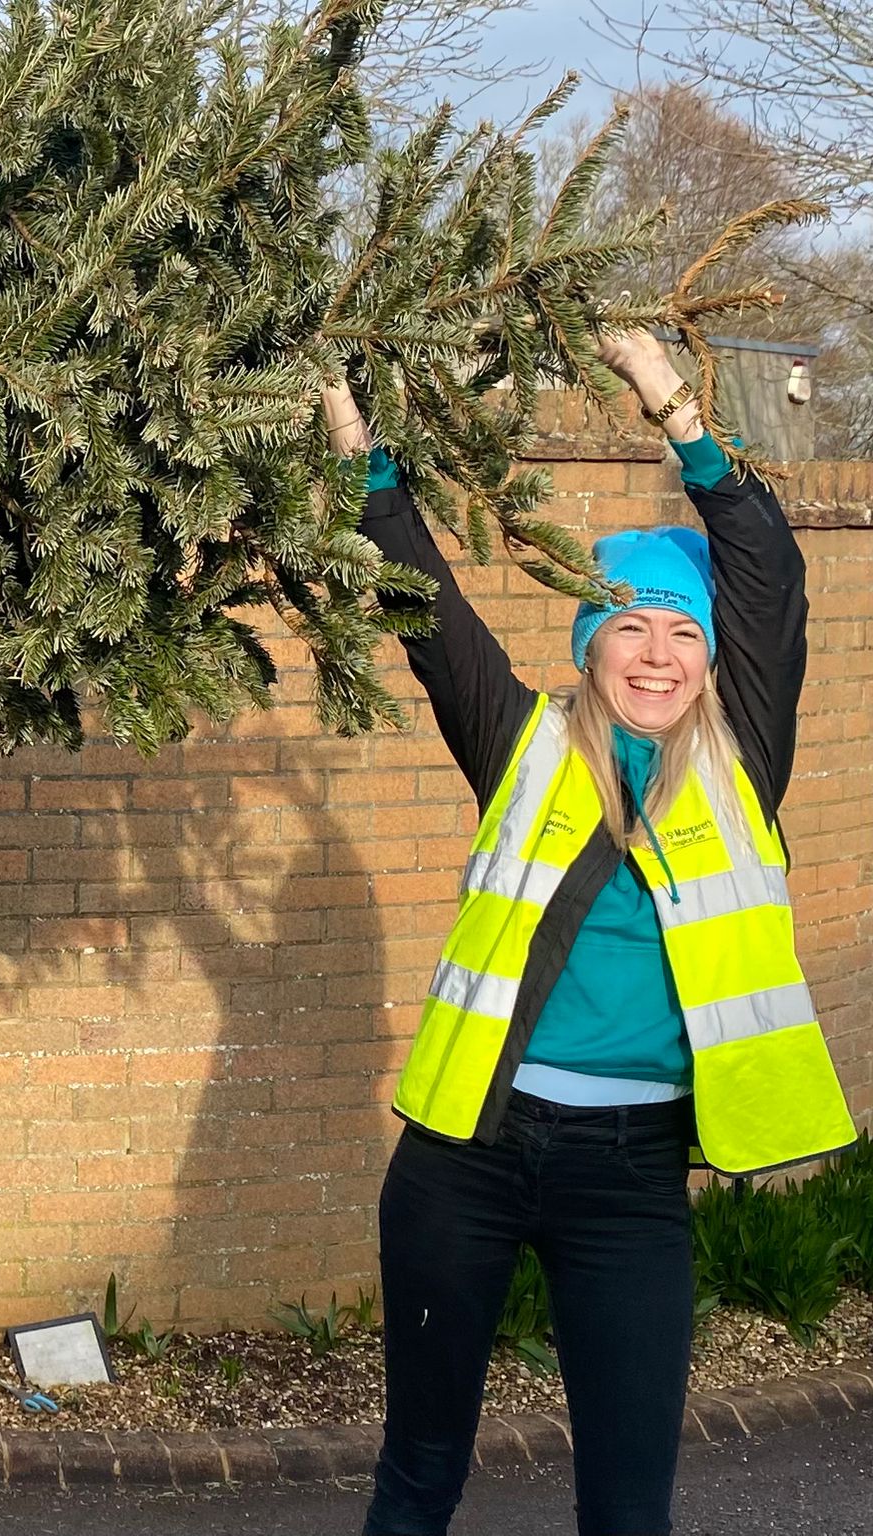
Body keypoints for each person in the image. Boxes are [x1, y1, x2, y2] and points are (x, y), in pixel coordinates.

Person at [327, 332, 857, 1536]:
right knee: (416, 1479)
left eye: (680, 632)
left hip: (628, 1180)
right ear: (587, 648)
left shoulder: (742, 766)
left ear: (709, 658)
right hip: (462, 1156)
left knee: (626, 1509)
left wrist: (667, 402)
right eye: (626, 626)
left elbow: (767, 572)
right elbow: (424, 608)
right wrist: (355, 447)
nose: (656, 655)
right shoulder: (516, 745)